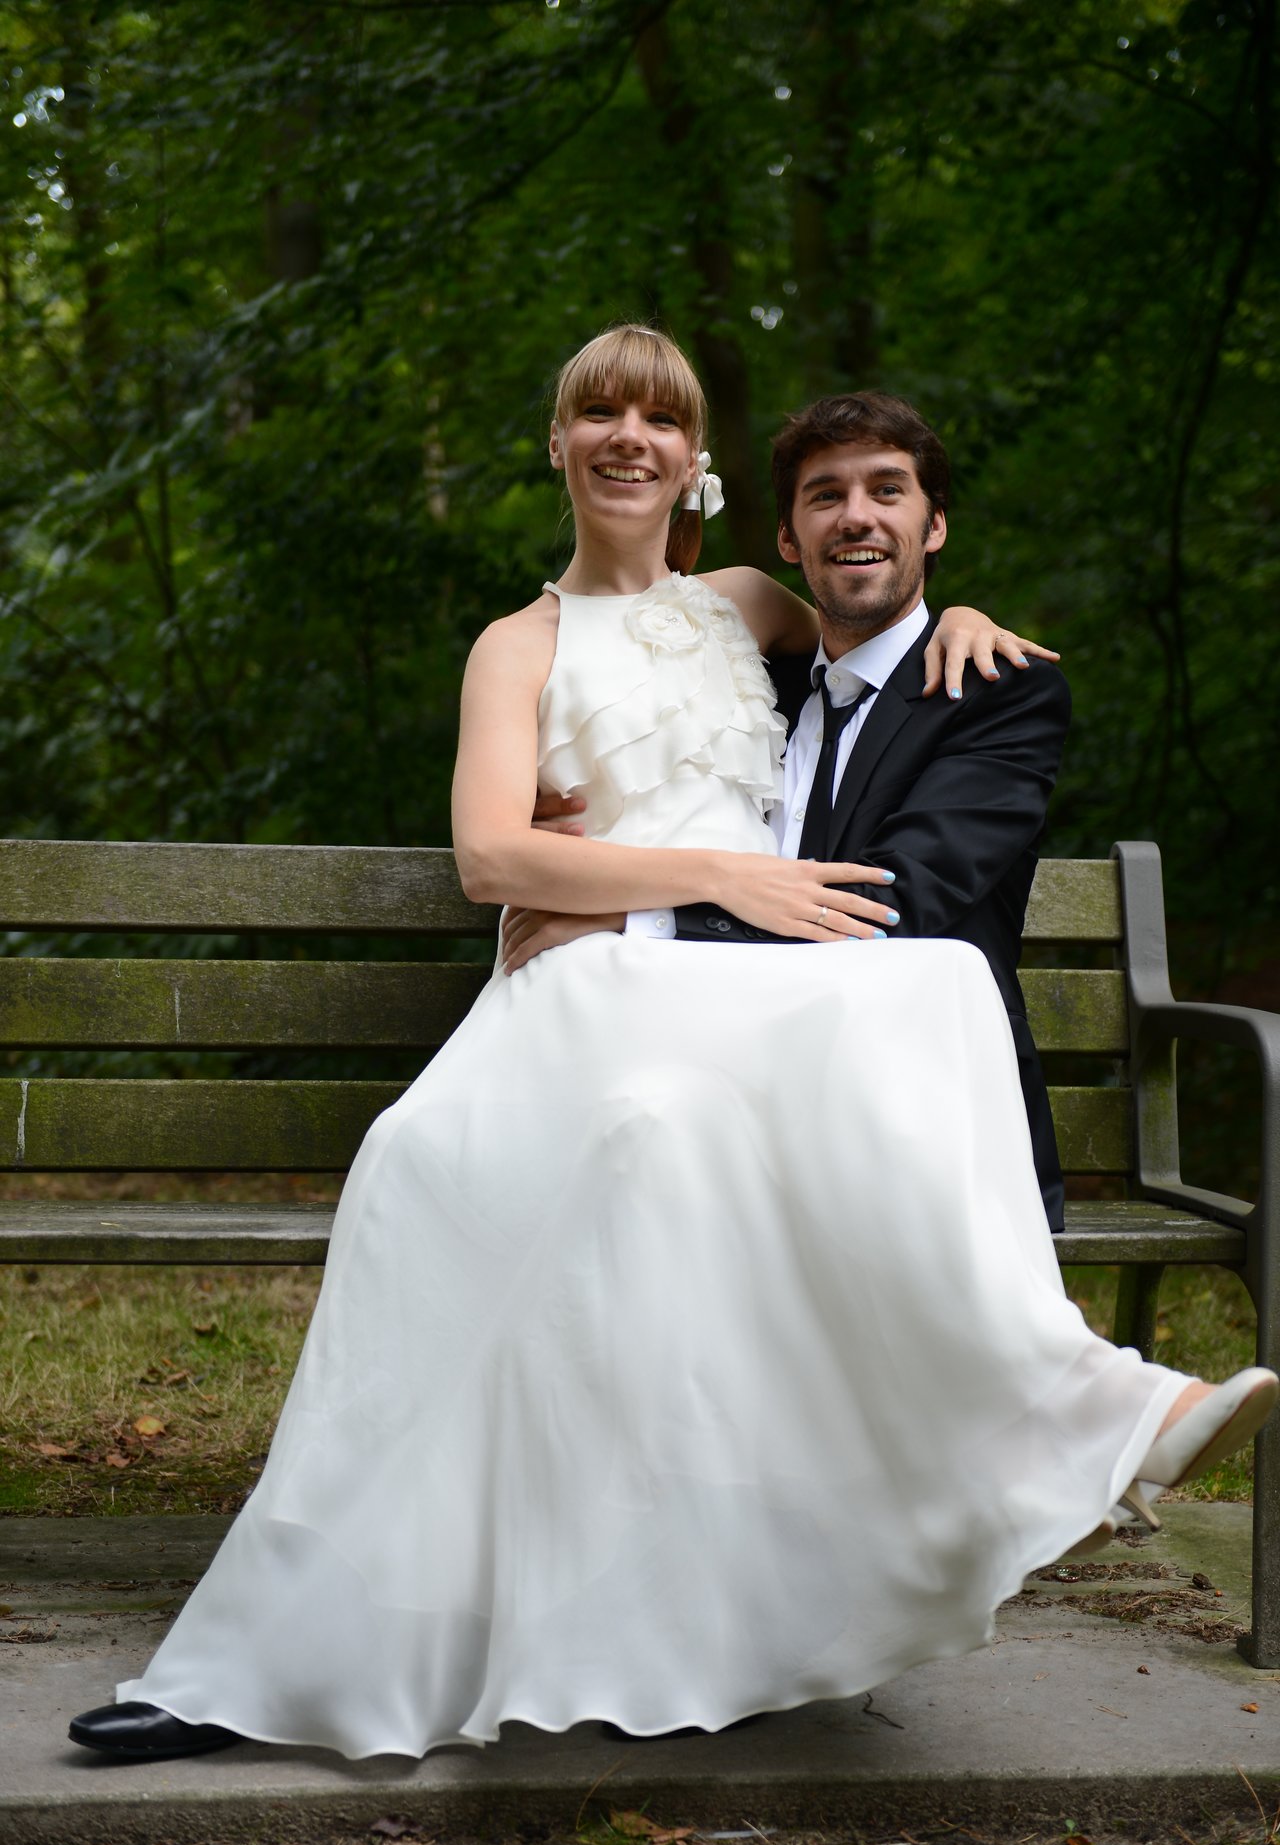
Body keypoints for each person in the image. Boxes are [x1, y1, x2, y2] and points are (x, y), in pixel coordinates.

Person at [69, 324, 1276, 1764]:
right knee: (463, 1150)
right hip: (599, 984)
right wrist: (687, 884)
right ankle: (288, 1637)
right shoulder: (515, 643)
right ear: (561, 444)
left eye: (660, 414)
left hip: (731, 1001)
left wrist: (964, 619)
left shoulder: (746, 602)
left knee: (785, 1066)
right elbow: (487, 855)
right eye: (599, 412)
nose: (629, 435)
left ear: (695, 459)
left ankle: (1046, 1427)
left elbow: (872, 612)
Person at [503, 390, 1068, 1226]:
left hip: (919, 1115)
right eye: (825, 495)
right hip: (725, 1089)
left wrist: (636, 917)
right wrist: (566, 812)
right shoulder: (745, 681)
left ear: (934, 526)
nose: (857, 517)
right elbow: (639, 754)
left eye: (887, 490)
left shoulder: (990, 693)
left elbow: (898, 899)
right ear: (786, 538)